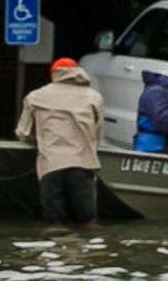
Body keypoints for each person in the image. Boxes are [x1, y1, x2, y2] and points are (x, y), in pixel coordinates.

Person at [16, 55, 106, 231]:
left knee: (55, 227)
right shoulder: (94, 97)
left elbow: (23, 132)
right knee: (89, 225)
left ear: (53, 74)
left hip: (51, 166)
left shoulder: (35, 96)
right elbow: (99, 133)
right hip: (83, 165)